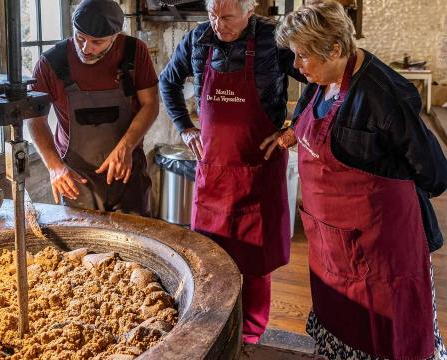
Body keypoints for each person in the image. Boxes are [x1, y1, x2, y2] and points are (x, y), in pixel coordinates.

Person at [262, 1, 447, 358]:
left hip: (381, 251)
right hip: (333, 245)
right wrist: (291, 134)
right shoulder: (320, 76)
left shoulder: (383, 96)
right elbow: (308, 116)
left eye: (302, 56)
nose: (296, 66)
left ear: (335, 48)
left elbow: (434, 173)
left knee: (386, 338)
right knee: (341, 323)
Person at [159, 0, 306, 344]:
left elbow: (316, 81)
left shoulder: (274, 41)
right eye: (212, 14)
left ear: (249, 10)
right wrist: (184, 126)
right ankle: (210, 330)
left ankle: (250, 337)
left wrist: (295, 128)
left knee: (256, 264)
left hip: (259, 171)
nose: (217, 24)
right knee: (209, 260)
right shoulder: (198, 39)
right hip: (215, 173)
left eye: (226, 17)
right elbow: (168, 81)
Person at [28, 0, 159, 215]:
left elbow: (150, 103)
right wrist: (54, 167)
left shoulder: (134, 52)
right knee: (82, 246)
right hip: (76, 179)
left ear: (115, 37)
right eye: (80, 38)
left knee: (136, 244)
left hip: (126, 173)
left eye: (97, 42)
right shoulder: (51, 62)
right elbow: (35, 119)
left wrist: (125, 147)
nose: (86, 48)